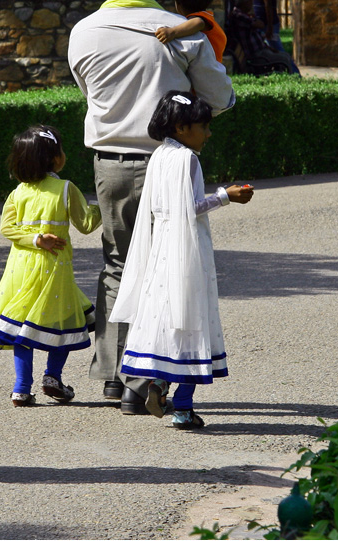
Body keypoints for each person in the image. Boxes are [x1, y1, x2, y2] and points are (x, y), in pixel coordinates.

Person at [68, 0, 235, 416]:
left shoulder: (84, 31)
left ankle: (113, 374)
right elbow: (219, 99)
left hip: (110, 165)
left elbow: (88, 90)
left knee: (119, 265)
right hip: (170, 162)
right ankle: (146, 379)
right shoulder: (179, 31)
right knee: (168, 267)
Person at [110, 91, 253, 429]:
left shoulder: (160, 155)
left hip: (162, 247)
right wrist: (224, 196)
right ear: (181, 127)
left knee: (168, 314)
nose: (208, 133)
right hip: (185, 247)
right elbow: (189, 207)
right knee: (192, 319)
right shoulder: (187, 159)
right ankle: (184, 408)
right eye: (203, 126)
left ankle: (160, 383)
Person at [0, 125, 102, 407]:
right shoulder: (65, 188)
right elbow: (86, 224)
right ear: (54, 158)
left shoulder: (18, 192)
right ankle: (52, 376)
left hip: (21, 267)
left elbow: (6, 228)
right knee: (63, 318)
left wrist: (35, 239)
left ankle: (21, 388)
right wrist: (103, 204)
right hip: (54, 270)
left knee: (22, 324)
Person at [155, 0, 228, 64]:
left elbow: (198, 22)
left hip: (209, 70)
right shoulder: (207, 16)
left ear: (178, 3)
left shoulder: (200, 18)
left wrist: (173, 32)